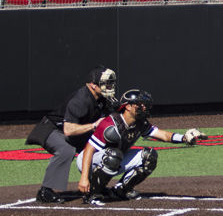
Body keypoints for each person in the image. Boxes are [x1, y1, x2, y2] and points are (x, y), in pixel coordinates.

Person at [77, 88, 207, 206]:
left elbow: (162, 135)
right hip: (89, 160)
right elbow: (89, 148)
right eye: (139, 104)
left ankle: (121, 190)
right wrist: (84, 178)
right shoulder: (110, 124)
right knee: (113, 155)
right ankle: (93, 194)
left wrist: (184, 138)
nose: (144, 107)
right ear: (128, 107)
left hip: (114, 157)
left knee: (149, 156)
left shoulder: (140, 123)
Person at [27, 65, 118, 203]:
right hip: (51, 129)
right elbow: (68, 130)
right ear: (93, 85)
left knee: (102, 147)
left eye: (111, 83)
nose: (109, 86)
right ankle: (45, 191)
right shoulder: (81, 100)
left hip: (73, 131)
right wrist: (94, 125)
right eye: (105, 84)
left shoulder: (102, 98)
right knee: (66, 150)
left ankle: (96, 185)